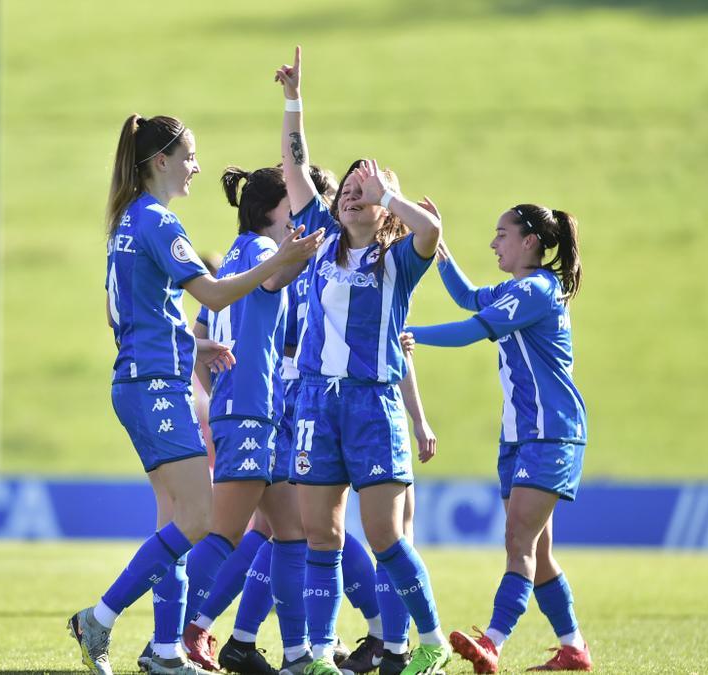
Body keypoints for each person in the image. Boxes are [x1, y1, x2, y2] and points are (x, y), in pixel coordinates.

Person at [69, 113, 324, 675]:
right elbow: (210, 292)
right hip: (153, 383)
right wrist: (280, 262)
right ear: (160, 161)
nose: (196, 167)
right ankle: (100, 619)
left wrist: (191, 347)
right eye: (188, 156)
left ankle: (166, 650)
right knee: (199, 519)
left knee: (179, 520)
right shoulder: (159, 221)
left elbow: (133, 312)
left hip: (149, 374)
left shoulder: (130, 221)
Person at [274, 47, 450, 675]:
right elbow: (296, 165)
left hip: (373, 404)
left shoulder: (397, 260)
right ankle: (320, 656)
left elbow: (430, 232)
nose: (350, 196)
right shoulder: (319, 242)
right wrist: (294, 100)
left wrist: (392, 196)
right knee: (321, 534)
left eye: (361, 191)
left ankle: (427, 641)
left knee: (385, 537)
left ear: (381, 207)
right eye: (346, 189)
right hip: (318, 403)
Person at [405, 204, 591, 673]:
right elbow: (469, 298)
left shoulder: (534, 290)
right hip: (523, 436)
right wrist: (439, 247)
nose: (493, 244)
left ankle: (492, 641)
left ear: (530, 241)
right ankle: (573, 648)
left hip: (551, 433)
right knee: (537, 551)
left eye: (501, 234)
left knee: (518, 539)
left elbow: (472, 329)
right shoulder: (520, 289)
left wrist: (405, 335)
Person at [179, 165, 313, 673]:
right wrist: (306, 254)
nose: (296, 212)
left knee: (293, 530)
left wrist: (225, 393)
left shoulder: (237, 255)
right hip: (253, 413)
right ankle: (175, 637)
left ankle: (297, 653)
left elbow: (201, 338)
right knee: (224, 534)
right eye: (291, 203)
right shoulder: (260, 252)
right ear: (269, 211)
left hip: (257, 410)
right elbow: (277, 275)